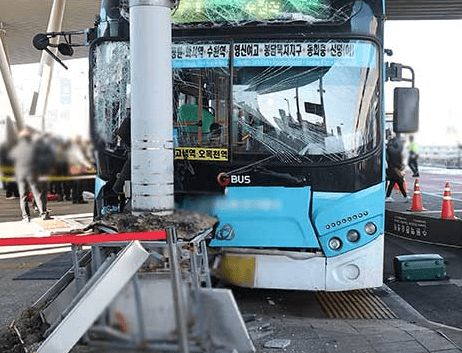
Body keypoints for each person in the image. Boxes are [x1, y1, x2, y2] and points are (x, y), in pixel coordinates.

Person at [9, 128, 52, 222]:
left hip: (21, 173)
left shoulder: (16, 147)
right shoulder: (34, 146)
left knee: (23, 195)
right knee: (37, 193)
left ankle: (26, 217)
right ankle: (43, 213)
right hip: (32, 172)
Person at [385, 136, 408, 202]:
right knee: (400, 183)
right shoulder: (396, 150)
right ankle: (405, 197)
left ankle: (388, 197)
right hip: (396, 170)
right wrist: (401, 167)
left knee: (392, 184)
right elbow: (398, 161)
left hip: (391, 170)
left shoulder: (388, 149)